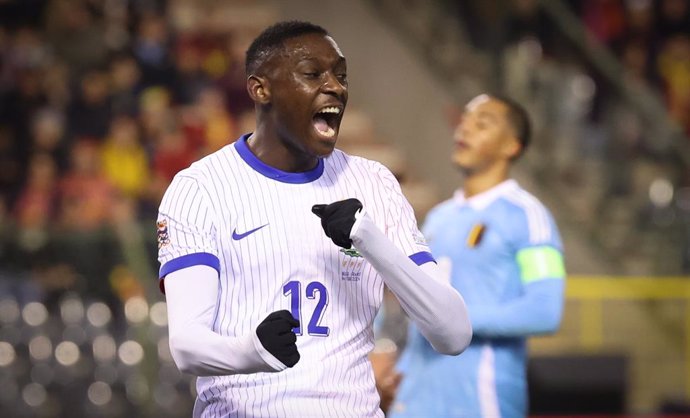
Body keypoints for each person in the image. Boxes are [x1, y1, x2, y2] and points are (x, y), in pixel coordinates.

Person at [156, 21, 472, 418]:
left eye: (341, 76)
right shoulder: (201, 188)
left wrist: (369, 239)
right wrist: (251, 351)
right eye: (312, 74)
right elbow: (186, 346)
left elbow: (454, 332)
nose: (336, 87)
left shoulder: (374, 184)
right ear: (260, 89)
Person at [388, 94, 566, 418]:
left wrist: (451, 318)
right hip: (413, 397)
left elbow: (545, 311)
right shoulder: (437, 219)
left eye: (482, 123)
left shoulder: (528, 217)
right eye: (465, 120)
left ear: (512, 145)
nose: (465, 129)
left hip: (479, 400)